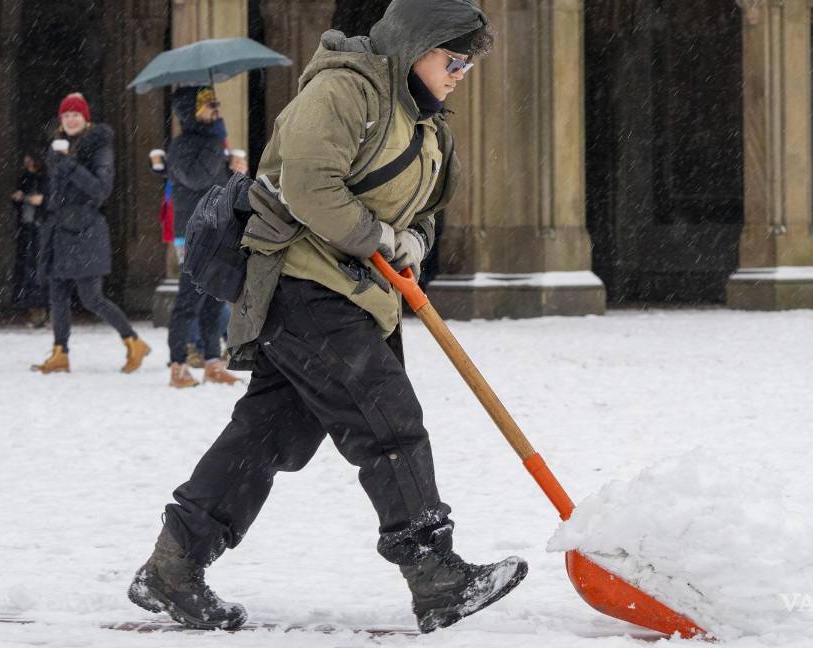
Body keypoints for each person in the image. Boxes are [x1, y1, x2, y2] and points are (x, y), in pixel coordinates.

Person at [128, 0, 527, 633]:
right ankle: (435, 573)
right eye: (453, 60)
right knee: (388, 421)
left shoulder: (425, 123)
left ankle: (173, 566)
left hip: (358, 296)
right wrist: (377, 237)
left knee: (267, 435)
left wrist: (413, 240)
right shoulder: (345, 91)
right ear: (415, 48)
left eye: (466, 66)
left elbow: (424, 209)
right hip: (303, 285)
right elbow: (310, 184)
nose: (460, 75)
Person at [31, 93, 151, 374]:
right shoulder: (58, 148)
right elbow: (58, 192)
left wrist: (68, 165)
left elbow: (101, 189)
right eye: (66, 115)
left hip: (86, 231)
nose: (70, 119)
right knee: (57, 295)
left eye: (76, 115)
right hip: (59, 230)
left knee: (91, 298)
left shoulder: (99, 146)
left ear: (86, 119)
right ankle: (60, 352)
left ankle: (134, 341)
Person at [163, 86, 245, 388]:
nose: (216, 108)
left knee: (213, 300)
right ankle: (178, 365)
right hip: (193, 233)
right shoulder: (181, 145)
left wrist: (235, 170)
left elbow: (219, 187)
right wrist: (218, 150)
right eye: (209, 104)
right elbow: (196, 178)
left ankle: (213, 363)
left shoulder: (212, 143)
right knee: (188, 300)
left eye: (216, 103)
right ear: (191, 111)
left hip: (216, 230)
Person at [11, 153, 49, 327]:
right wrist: (19, 198)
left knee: (39, 268)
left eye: (30, 160)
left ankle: (43, 310)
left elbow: (47, 200)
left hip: (40, 226)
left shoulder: (46, 178)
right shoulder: (25, 178)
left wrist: (36, 200)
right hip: (27, 226)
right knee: (28, 268)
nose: (27, 163)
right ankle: (32, 308)